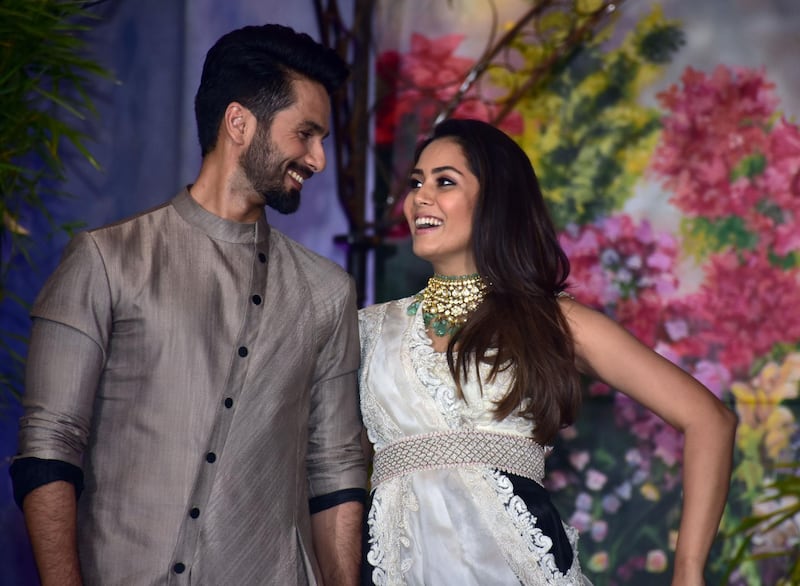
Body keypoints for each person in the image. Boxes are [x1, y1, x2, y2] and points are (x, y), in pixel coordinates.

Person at [10, 23, 366, 586]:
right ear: (240, 123)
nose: (319, 159)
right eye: (306, 134)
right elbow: (48, 447)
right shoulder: (107, 260)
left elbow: (337, 467)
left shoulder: (327, 292)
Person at [357, 118, 738, 586]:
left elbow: (710, 420)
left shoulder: (551, 320)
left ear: (495, 200)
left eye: (445, 181)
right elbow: (334, 476)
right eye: (416, 182)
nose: (420, 197)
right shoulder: (369, 329)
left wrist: (688, 570)